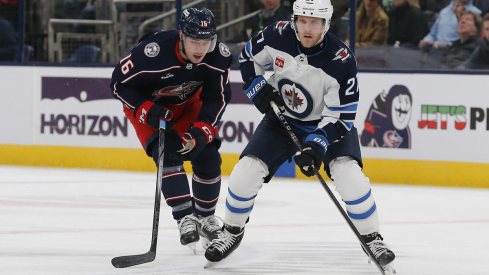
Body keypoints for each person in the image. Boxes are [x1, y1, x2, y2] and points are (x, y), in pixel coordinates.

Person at [204, 0, 396, 273]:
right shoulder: (276, 34)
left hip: (327, 125)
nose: (307, 28)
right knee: (246, 170)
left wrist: (317, 143)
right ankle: (232, 232)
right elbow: (248, 58)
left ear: (326, 24)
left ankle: (372, 239)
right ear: (294, 19)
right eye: (303, 20)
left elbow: (342, 117)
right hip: (282, 118)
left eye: (315, 22)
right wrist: (257, 85)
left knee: (348, 174)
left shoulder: (340, 60)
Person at [110, 7, 232, 253]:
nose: (200, 49)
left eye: (206, 41)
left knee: (207, 154)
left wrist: (203, 129)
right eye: (194, 41)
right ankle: (185, 217)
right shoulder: (151, 53)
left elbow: (217, 98)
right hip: (150, 107)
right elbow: (118, 85)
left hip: (190, 104)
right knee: (167, 153)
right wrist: (146, 109)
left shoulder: (218, 55)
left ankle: (205, 218)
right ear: (181, 36)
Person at [227, 0, 291, 44]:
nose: (270, 1)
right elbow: (244, 35)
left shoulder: (287, 18)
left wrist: (253, 44)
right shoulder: (257, 17)